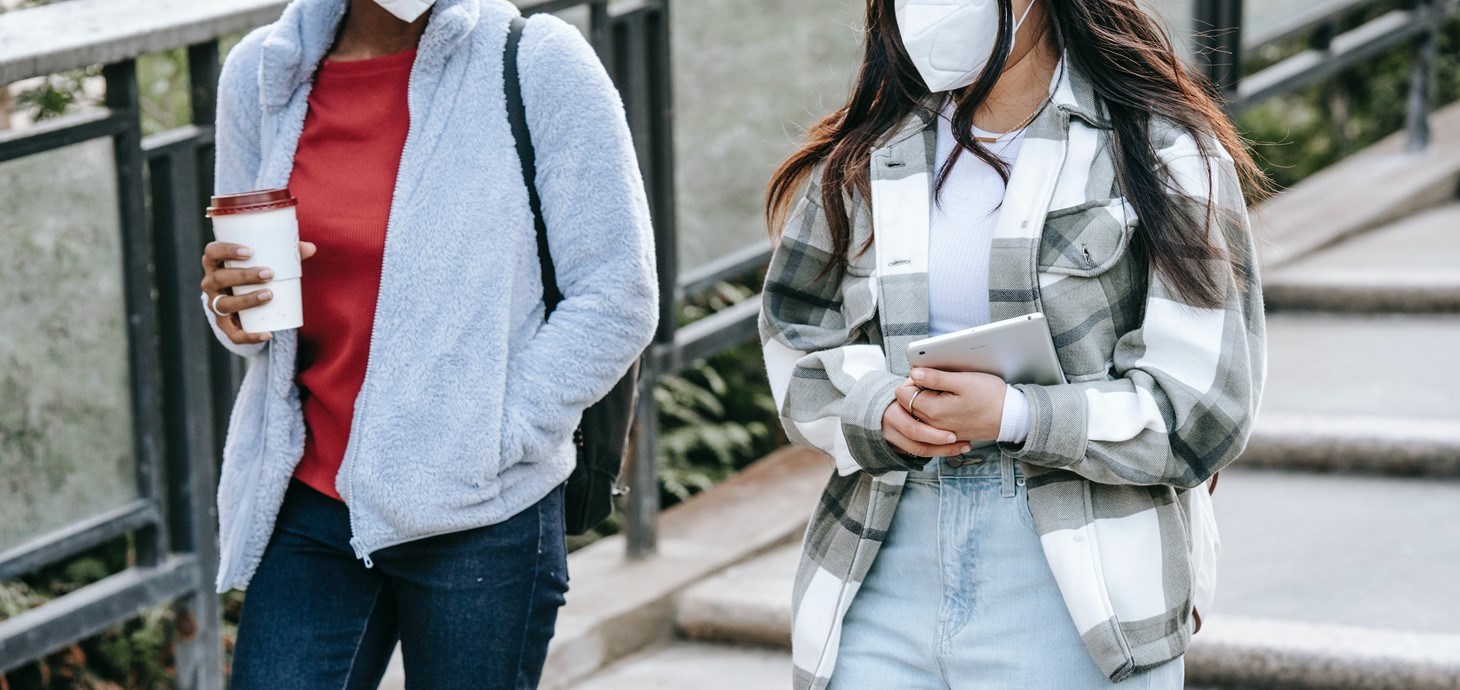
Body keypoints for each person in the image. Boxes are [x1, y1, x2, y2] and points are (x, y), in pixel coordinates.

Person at [760, 0, 1267, 687]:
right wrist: (876, 408)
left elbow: (1202, 409)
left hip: (1077, 589)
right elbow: (795, 340)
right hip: (881, 561)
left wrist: (1017, 415)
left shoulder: (1163, 149)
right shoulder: (866, 156)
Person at [197, 0, 658, 687]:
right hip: (311, 497)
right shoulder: (265, 71)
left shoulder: (540, 61)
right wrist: (232, 310)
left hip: (480, 511)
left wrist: (491, 439)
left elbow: (617, 294)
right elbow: (251, 302)